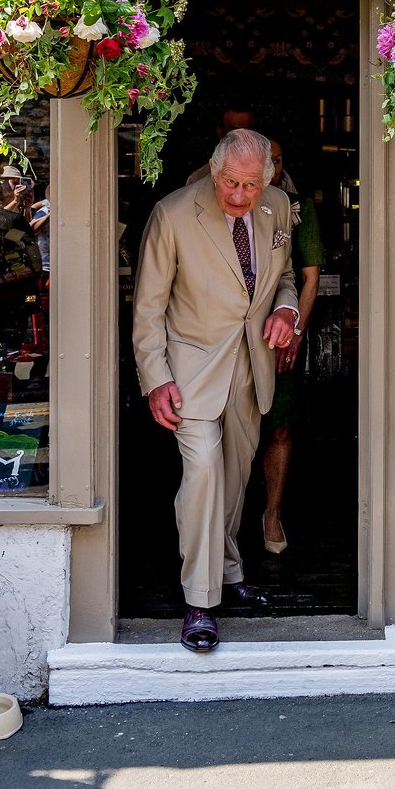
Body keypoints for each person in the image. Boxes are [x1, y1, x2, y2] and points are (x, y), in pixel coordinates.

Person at [132, 129, 299, 653]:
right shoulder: (173, 213)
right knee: (203, 470)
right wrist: (155, 378)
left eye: (251, 184)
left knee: (233, 476)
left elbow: (286, 276)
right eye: (231, 181)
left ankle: (229, 571)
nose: (239, 195)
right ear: (212, 167)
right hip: (190, 372)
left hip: (251, 368)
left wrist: (287, 310)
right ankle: (200, 601)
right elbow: (148, 308)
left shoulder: (276, 207)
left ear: (267, 179)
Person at [260, 138, 324, 556]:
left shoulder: (297, 206)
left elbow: (309, 276)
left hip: (282, 331)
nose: (275, 167)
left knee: (280, 425)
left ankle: (272, 513)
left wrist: (296, 332)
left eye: (279, 159)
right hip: (232, 336)